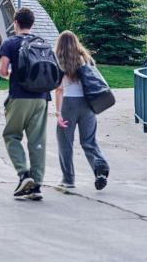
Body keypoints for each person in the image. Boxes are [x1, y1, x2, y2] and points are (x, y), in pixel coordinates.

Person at [0, 8, 48, 201]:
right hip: (42, 98)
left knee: (11, 135)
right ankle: (36, 186)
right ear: (32, 24)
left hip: (19, 97)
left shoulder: (10, 42)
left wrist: (13, 76)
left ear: (16, 22)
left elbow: (3, 70)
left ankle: (23, 174)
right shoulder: (41, 43)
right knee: (37, 141)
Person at [54, 30, 110, 190]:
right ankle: (99, 166)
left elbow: (59, 89)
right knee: (89, 140)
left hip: (68, 105)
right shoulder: (86, 58)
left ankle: (68, 179)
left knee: (65, 142)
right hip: (88, 104)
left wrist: (58, 112)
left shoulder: (60, 61)